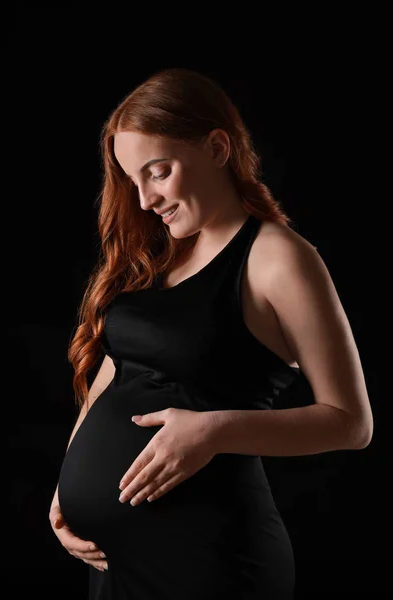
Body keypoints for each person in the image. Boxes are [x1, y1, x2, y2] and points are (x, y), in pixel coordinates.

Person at [49, 67, 373, 599]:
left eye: (158, 171)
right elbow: (116, 366)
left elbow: (350, 422)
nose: (146, 200)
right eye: (133, 181)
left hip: (208, 562)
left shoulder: (278, 258)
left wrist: (214, 430)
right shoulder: (161, 252)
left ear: (218, 148)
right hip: (115, 567)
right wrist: (66, 486)